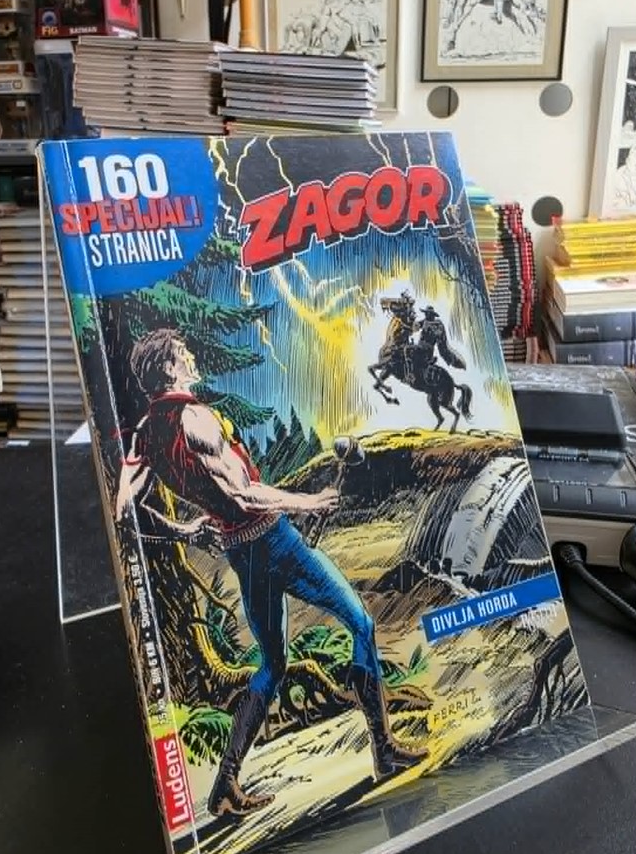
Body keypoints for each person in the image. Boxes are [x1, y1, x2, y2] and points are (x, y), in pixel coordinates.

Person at [117, 329, 426, 818]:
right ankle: (383, 751)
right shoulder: (196, 418)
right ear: (170, 368)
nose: (192, 355)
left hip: (241, 554)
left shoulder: (143, 434)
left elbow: (124, 512)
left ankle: (224, 785)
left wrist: (185, 530)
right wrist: (308, 501)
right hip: (275, 541)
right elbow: (243, 494)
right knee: (361, 623)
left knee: (273, 665)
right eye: (183, 352)